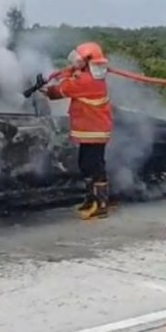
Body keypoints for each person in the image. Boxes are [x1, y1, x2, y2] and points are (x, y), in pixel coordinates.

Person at [43, 41, 113, 220]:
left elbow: (61, 90)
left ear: (88, 62)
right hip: (89, 130)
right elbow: (70, 78)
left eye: (79, 60)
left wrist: (45, 89)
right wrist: (68, 72)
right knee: (85, 165)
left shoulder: (87, 81)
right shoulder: (88, 76)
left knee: (94, 167)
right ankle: (90, 200)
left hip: (95, 131)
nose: (76, 63)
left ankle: (101, 205)